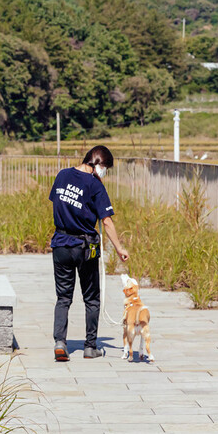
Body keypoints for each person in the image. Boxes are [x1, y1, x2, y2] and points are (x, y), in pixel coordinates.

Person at [48, 145, 129, 361]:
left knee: (63, 297)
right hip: (85, 247)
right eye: (106, 168)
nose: (105, 173)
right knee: (91, 298)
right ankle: (90, 346)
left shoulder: (63, 175)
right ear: (98, 163)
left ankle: (60, 342)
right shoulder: (95, 185)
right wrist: (119, 248)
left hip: (61, 243)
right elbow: (107, 221)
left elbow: (56, 202)